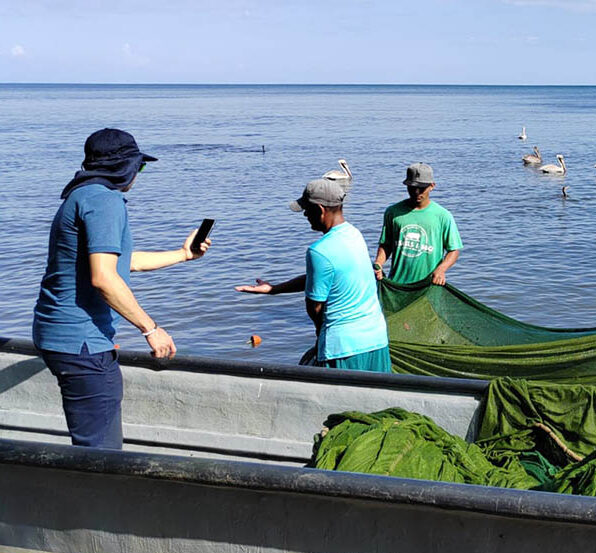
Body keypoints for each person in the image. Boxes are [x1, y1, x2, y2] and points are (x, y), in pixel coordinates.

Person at [32, 128, 211, 449]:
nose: (138, 174)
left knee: (93, 442)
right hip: (83, 344)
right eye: (139, 166)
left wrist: (183, 254)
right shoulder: (105, 201)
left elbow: (123, 263)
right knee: (100, 452)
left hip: (56, 335)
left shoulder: (81, 195)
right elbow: (104, 278)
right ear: (123, 166)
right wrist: (151, 329)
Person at [235, 179, 390, 372]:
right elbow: (326, 277)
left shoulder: (319, 251)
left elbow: (314, 308)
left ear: (320, 209)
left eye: (307, 209)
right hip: (376, 339)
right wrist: (273, 289)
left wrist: (320, 337)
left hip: (342, 348)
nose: (305, 215)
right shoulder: (354, 235)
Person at [374, 162, 462, 285]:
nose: (416, 192)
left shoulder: (443, 216)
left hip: (428, 285)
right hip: (398, 285)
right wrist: (378, 263)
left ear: (432, 186)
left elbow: (454, 250)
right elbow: (386, 244)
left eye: (421, 188)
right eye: (412, 187)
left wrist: (441, 270)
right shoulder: (393, 212)